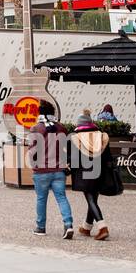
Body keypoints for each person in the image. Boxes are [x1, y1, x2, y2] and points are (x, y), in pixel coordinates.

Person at [26, 99, 73, 238]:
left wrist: (34, 166)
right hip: (59, 170)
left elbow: (32, 151)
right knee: (62, 197)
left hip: (42, 171)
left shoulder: (36, 128)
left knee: (41, 199)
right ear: (53, 113)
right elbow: (65, 149)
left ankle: (41, 227)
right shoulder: (61, 128)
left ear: (39, 113)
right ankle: (68, 224)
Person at [70, 110, 113, 240]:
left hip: (85, 172)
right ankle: (86, 227)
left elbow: (74, 159)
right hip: (100, 172)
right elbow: (108, 157)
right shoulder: (102, 137)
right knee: (93, 198)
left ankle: (102, 227)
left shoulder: (76, 138)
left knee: (90, 198)